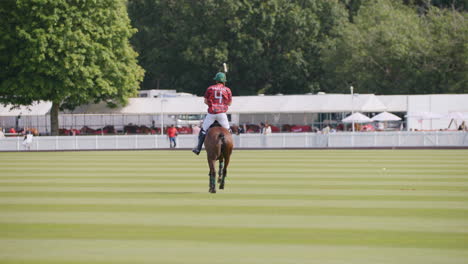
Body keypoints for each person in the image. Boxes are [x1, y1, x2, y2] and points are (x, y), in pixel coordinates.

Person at [192, 72, 232, 155]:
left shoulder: (210, 88)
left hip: (212, 113)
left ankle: (198, 148)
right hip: (222, 114)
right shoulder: (227, 89)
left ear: (216, 81)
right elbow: (229, 103)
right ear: (224, 81)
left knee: (203, 130)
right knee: (228, 131)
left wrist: (212, 105)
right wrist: (222, 105)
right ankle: (229, 149)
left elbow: (205, 101)